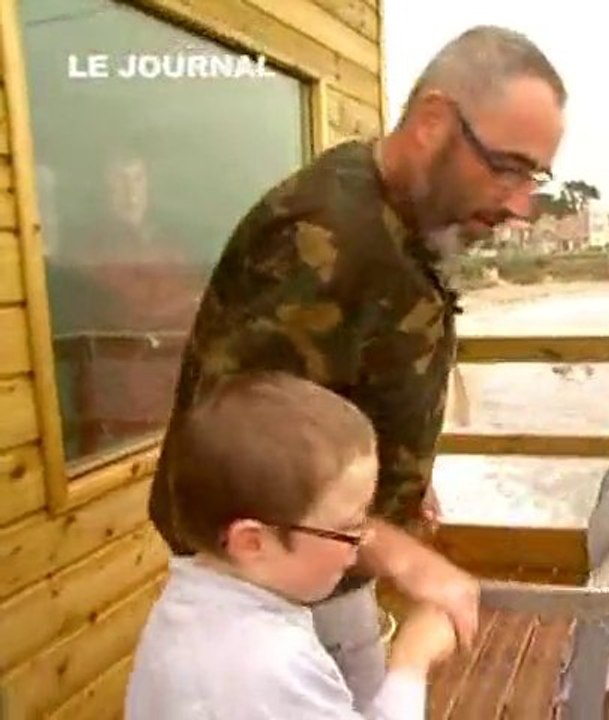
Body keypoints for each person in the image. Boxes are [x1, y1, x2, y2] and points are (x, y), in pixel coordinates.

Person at [146, 24, 567, 707]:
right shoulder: (319, 237)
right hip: (286, 589)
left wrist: (402, 478)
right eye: (507, 167)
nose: (521, 205)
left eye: (535, 177)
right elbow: (237, 469)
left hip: (329, 563)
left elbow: (347, 375)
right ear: (433, 122)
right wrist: (400, 552)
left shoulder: (401, 213)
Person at [126, 372, 459, 719]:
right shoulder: (272, 667)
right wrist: (411, 660)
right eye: (349, 528)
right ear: (252, 542)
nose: (365, 540)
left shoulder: (185, 607)